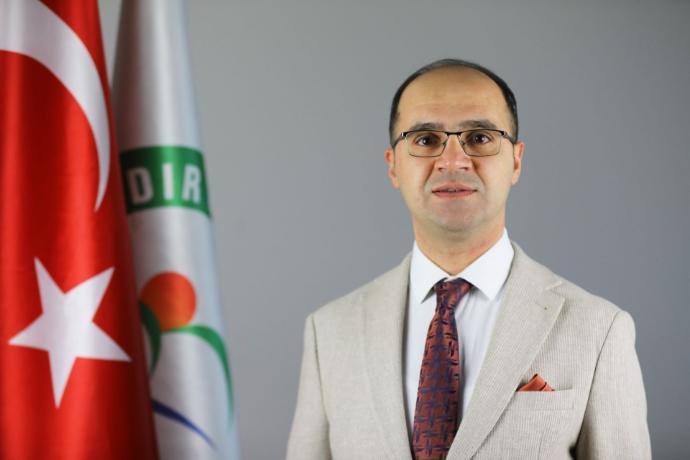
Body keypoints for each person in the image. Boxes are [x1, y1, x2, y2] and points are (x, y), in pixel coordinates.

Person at [286, 59, 651, 459]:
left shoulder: (599, 330)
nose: (453, 160)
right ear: (393, 166)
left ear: (516, 161)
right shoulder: (330, 332)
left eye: (479, 138)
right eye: (426, 139)